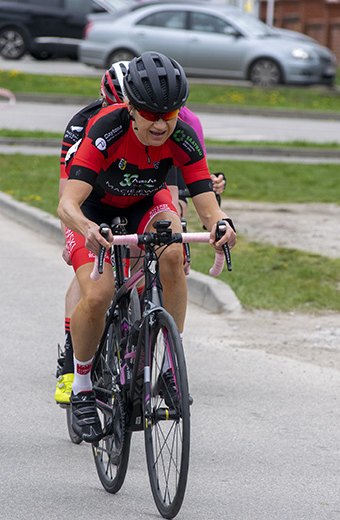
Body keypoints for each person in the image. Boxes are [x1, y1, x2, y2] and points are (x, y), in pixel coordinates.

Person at [57, 51, 237, 442]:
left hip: (144, 203)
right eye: (152, 114)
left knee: (173, 251)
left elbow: (207, 203)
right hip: (94, 209)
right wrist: (86, 227)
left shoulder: (183, 136)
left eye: (170, 114)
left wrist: (220, 225)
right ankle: (83, 386)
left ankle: (171, 366)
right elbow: (67, 203)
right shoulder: (106, 129)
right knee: (99, 293)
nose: (161, 124)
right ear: (132, 109)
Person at [54, 61, 130, 406]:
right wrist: (68, 236)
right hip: (91, 198)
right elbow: (66, 189)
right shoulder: (82, 124)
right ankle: (70, 361)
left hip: (129, 196)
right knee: (86, 279)